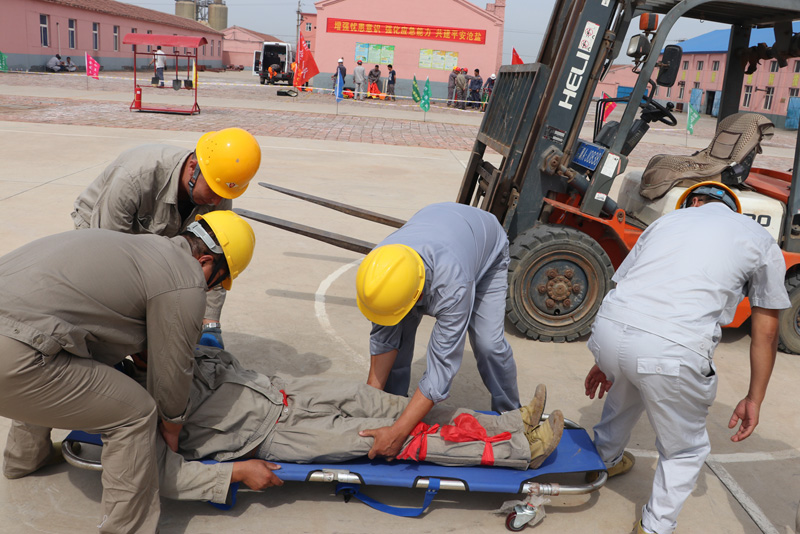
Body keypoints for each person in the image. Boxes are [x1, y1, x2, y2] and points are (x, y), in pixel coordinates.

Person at [0, 210, 257, 533]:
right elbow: (174, 370)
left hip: (13, 335)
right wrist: (172, 427)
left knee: (58, 355)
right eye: (216, 282)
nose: (210, 290)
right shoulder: (185, 278)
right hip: (14, 357)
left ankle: (24, 458)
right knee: (135, 414)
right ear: (206, 262)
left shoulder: (137, 247)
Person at [583, 181, 790, 534]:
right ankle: (655, 526)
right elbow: (766, 333)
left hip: (610, 328)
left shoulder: (665, 222)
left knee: (626, 386)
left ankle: (602, 459)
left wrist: (607, 359)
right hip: (674, 346)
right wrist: (754, 398)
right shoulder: (759, 238)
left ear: (694, 202)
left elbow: (628, 286)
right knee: (684, 450)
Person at [149, 345, 564, 503]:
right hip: (273, 434)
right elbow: (165, 476)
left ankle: (507, 423)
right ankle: (520, 450)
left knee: (400, 409)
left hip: (283, 389)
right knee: (395, 440)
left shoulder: (156, 341)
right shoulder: (132, 415)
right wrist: (237, 472)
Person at [354, 202, 521, 462]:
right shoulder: (381, 269)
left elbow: (440, 372)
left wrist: (398, 434)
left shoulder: (453, 286)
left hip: (485, 245)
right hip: (437, 225)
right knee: (397, 335)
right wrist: (369, 405)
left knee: (488, 344)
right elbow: (384, 340)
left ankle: (512, 417)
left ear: (418, 293)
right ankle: (394, 408)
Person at [71, 127, 262, 348]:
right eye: (213, 191)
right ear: (193, 168)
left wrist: (210, 324)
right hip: (100, 228)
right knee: (112, 309)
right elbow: (109, 256)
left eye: (224, 194)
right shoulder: (135, 177)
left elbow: (218, 260)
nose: (217, 201)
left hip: (156, 239)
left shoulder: (218, 190)